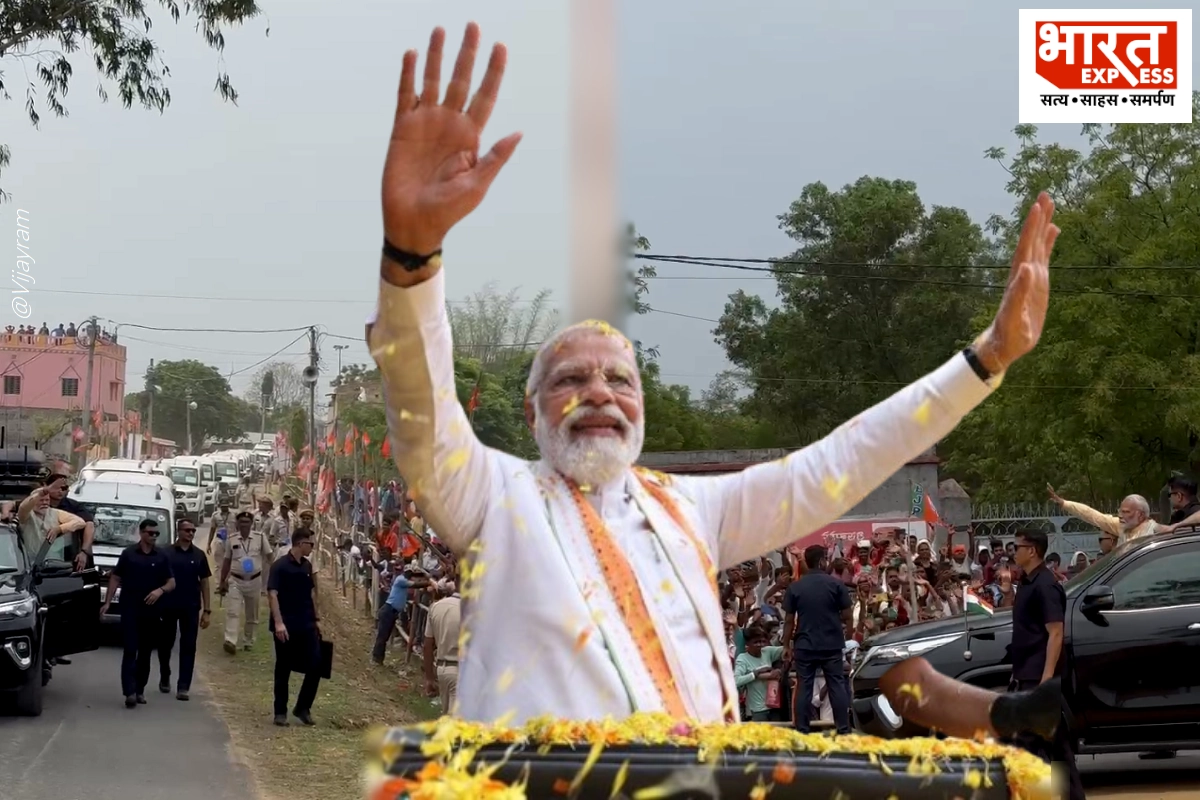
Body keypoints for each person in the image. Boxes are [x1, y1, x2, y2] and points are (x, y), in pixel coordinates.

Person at [367, 22, 1057, 724]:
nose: (600, 391)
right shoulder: (492, 497)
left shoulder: (691, 512)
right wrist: (412, 255)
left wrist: (985, 359)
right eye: (571, 379)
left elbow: (841, 463)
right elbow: (420, 406)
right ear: (531, 412)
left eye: (620, 380)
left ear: (642, 409)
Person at [1009, 528, 1083, 799]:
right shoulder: (1028, 582)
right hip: (1027, 673)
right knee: (1055, 745)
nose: (1013, 551)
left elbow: (1055, 633)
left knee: (1027, 742)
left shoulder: (1045, 585)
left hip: (1039, 677)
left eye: (1017, 547)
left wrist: (1046, 680)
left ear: (1032, 551)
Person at [99, 519, 175, 708]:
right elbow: (115, 577)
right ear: (141, 533)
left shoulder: (161, 556)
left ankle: (140, 689)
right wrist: (108, 602)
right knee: (130, 650)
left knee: (145, 652)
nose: (154, 537)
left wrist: (160, 591)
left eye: (157, 534)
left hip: (152, 611)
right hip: (130, 608)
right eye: (151, 533)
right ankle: (129, 691)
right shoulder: (129, 554)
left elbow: (171, 582)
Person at [781, 545, 852, 733]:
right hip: (832, 643)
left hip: (804, 644)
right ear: (821, 561)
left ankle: (802, 730)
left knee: (804, 684)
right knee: (836, 684)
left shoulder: (795, 586)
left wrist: (785, 645)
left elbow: (788, 620)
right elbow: (847, 615)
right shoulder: (836, 585)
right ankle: (843, 730)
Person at [267, 527, 322, 726]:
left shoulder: (306, 566)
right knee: (284, 667)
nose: (312, 548)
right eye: (311, 544)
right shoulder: (280, 566)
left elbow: (311, 594)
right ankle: (279, 712)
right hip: (286, 624)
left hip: (306, 623)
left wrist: (316, 619)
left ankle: (303, 707)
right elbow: (272, 594)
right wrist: (279, 622)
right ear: (300, 543)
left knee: (316, 665)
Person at [157, 517, 212, 700]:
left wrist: (207, 610)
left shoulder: (198, 555)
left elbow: (204, 582)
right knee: (165, 644)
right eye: (187, 530)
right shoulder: (166, 553)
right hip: (168, 605)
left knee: (189, 646)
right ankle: (165, 674)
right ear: (179, 531)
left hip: (191, 606)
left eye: (193, 531)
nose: (190, 533)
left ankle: (183, 686)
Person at [219, 510, 273, 653]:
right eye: (241, 522)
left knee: (252, 614)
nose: (244, 525)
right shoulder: (232, 539)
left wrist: (274, 574)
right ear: (237, 524)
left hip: (255, 581)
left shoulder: (260, 537)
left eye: (247, 522)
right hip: (236, 580)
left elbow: (269, 556)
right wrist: (222, 580)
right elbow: (226, 561)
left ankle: (249, 641)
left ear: (251, 524)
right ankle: (230, 640)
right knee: (233, 611)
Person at [1047, 484, 1165, 544]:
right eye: (1120, 511)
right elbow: (1092, 515)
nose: (1120, 515)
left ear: (1140, 515)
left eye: (1126, 512)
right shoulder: (1121, 526)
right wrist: (1064, 503)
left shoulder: (1154, 530)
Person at [373, 564, 429, 665]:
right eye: (410, 573)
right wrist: (429, 583)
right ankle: (376, 658)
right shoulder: (401, 580)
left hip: (392, 612)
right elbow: (416, 585)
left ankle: (379, 659)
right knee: (382, 636)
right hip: (389, 610)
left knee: (385, 636)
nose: (411, 575)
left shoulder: (402, 580)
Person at [423, 576, 462, 712]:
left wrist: (429, 678)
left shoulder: (436, 607)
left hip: (442, 670)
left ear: (455, 583)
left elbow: (427, 645)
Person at [733, 623, 784, 722]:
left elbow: (786, 650)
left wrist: (780, 670)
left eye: (762, 641)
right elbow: (736, 680)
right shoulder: (743, 658)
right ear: (747, 643)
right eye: (756, 642)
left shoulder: (767, 651)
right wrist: (755, 673)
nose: (760, 645)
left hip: (774, 705)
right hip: (757, 710)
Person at [208, 500, 233, 568]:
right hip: (219, 540)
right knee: (218, 564)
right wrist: (209, 544)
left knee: (231, 563)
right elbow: (212, 530)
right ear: (219, 506)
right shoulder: (215, 515)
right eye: (222, 507)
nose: (224, 508)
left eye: (226, 506)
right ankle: (218, 578)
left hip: (231, 540)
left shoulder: (234, 515)